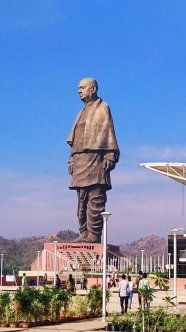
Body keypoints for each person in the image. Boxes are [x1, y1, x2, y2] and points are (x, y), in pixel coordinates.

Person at [67, 78, 119, 243]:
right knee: (81, 202)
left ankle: (94, 235)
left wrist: (110, 154)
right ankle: (84, 232)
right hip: (79, 160)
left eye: (82, 87)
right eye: (78, 88)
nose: (79, 91)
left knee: (95, 199)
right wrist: (71, 160)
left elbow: (108, 131)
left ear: (93, 88)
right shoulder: (81, 112)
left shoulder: (103, 107)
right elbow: (75, 139)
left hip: (96, 159)